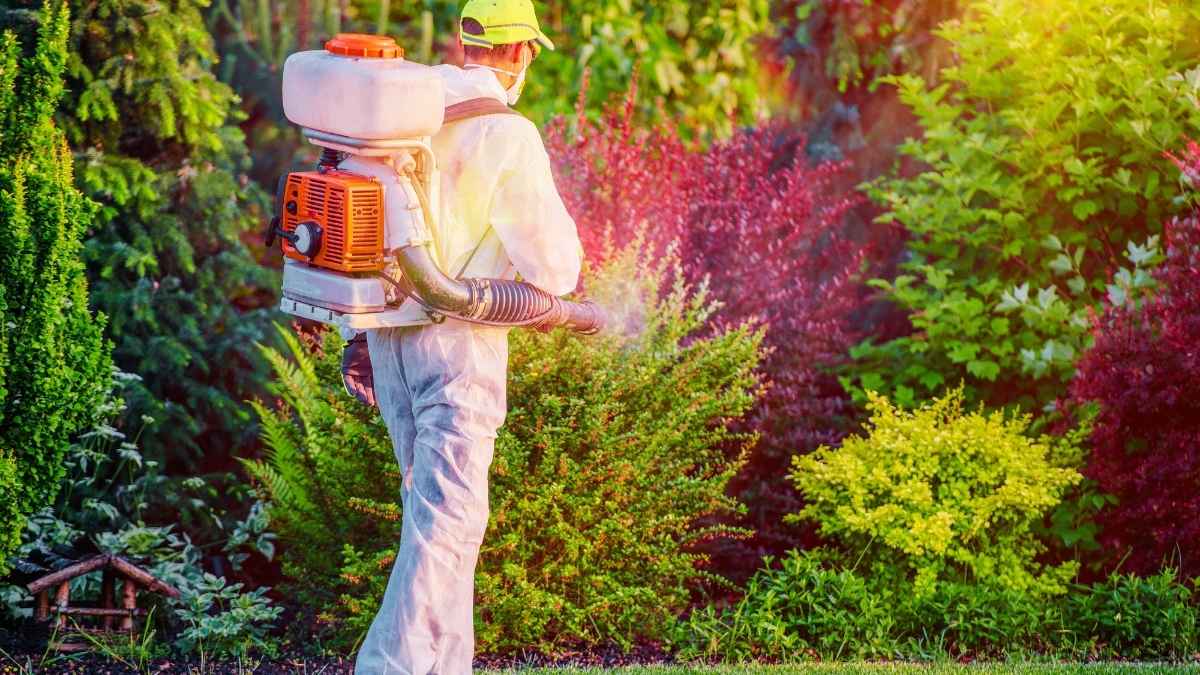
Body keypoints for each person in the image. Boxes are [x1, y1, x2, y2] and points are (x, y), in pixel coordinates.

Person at [352, 1, 582, 673]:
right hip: (459, 343)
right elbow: (555, 268)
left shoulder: (405, 113)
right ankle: (386, 668)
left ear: (465, 41)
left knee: (437, 519)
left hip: (388, 339)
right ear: (521, 53)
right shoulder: (507, 133)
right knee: (446, 527)